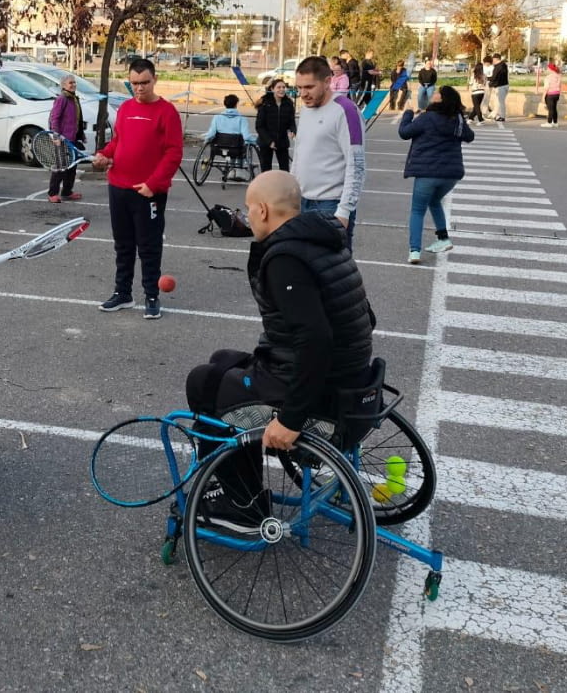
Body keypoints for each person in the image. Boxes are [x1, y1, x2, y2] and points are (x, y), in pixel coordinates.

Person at [183, 170, 375, 532]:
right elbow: (364, 317)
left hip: (320, 389)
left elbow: (316, 340)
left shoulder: (285, 257)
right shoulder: (325, 240)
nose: (247, 217)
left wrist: (290, 419)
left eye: (248, 210)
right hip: (352, 378)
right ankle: (234, 477)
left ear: (263, 210)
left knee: (203, 383)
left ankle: (241, 502)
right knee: (223, 360)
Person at [91, 58, 183, 319]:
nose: (139, 88)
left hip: (148, 192)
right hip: (118, 187)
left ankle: (151, 296)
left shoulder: (167, 112)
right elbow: (118, 142)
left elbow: (174, 153)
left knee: (149, 246)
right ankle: (123, 293)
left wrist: (153, 185)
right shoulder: (126, 108)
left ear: (154, 80)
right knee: (123, 245)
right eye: (134, 84)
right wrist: (103, 155)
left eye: (144, 83)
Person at [290, 55, 366, 250]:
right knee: (305, 268)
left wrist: (344, 211)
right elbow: (299, 154)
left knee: (334, 272)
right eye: (299, 88)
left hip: (331, 206)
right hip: (302, 202)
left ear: (327, 82)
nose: (303, 94)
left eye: (309, 87)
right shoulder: (306, 109)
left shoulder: (346, 110)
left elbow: (356, 164)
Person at [398, 85, 474, 264]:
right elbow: (470, 137)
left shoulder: (427, 118)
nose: (434, 93)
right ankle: (443, 238)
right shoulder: (457, 119)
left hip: (427, 172)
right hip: (451, 174)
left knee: (417, 210)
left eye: (438, 92)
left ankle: (414, 250)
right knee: (434, 201)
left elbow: (404, 132)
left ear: (442, 98)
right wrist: (460, 119)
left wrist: (408, 113)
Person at [46, 73, 84, 203]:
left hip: (72, 139)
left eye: (74, 82)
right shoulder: (62, 99)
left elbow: (77, 119)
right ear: (63, 86)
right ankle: (52, 193)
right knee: (60, 167)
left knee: (72, 168)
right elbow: (54, 118)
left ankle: (67, 191)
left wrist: (81, 135)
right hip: (62, 139)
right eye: (70, 83)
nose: (73, 85)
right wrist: (56, 136)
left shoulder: (74, 98)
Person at [255, 79, 296, 172]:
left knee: (285, 169)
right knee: (266, 170)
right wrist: (269, 141)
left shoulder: (288, 104)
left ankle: (284, 187)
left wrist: (292, 130)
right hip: (266, 142)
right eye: (278, 87)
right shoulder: (265, 103)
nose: (282, 89)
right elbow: (259, 126)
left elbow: (291, 121)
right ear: (272, 89)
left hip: (282, 141)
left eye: (283, 87)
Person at [487, 55, 510, 122]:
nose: (492, 61)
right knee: (498, 102)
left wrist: (487, 78)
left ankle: (502, 116)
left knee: (500, 102)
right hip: (504, 85)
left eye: (493, 60)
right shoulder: (503, 65)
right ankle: (496, 115)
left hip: (501, 86)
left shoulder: (498, 67)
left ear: (496, 59)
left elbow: (494, 77)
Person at [542, 62, 562, 127]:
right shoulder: (558, 76)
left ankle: (549, 122)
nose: (547, 69)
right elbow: (559, 85)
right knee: (554, 108)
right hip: (557, 94)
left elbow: (546, 87)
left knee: (550, 109)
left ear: (550, 69)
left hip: (550, 94)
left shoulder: (548, 77)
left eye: (548, 68)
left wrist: (543, 97)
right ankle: (555, 122)